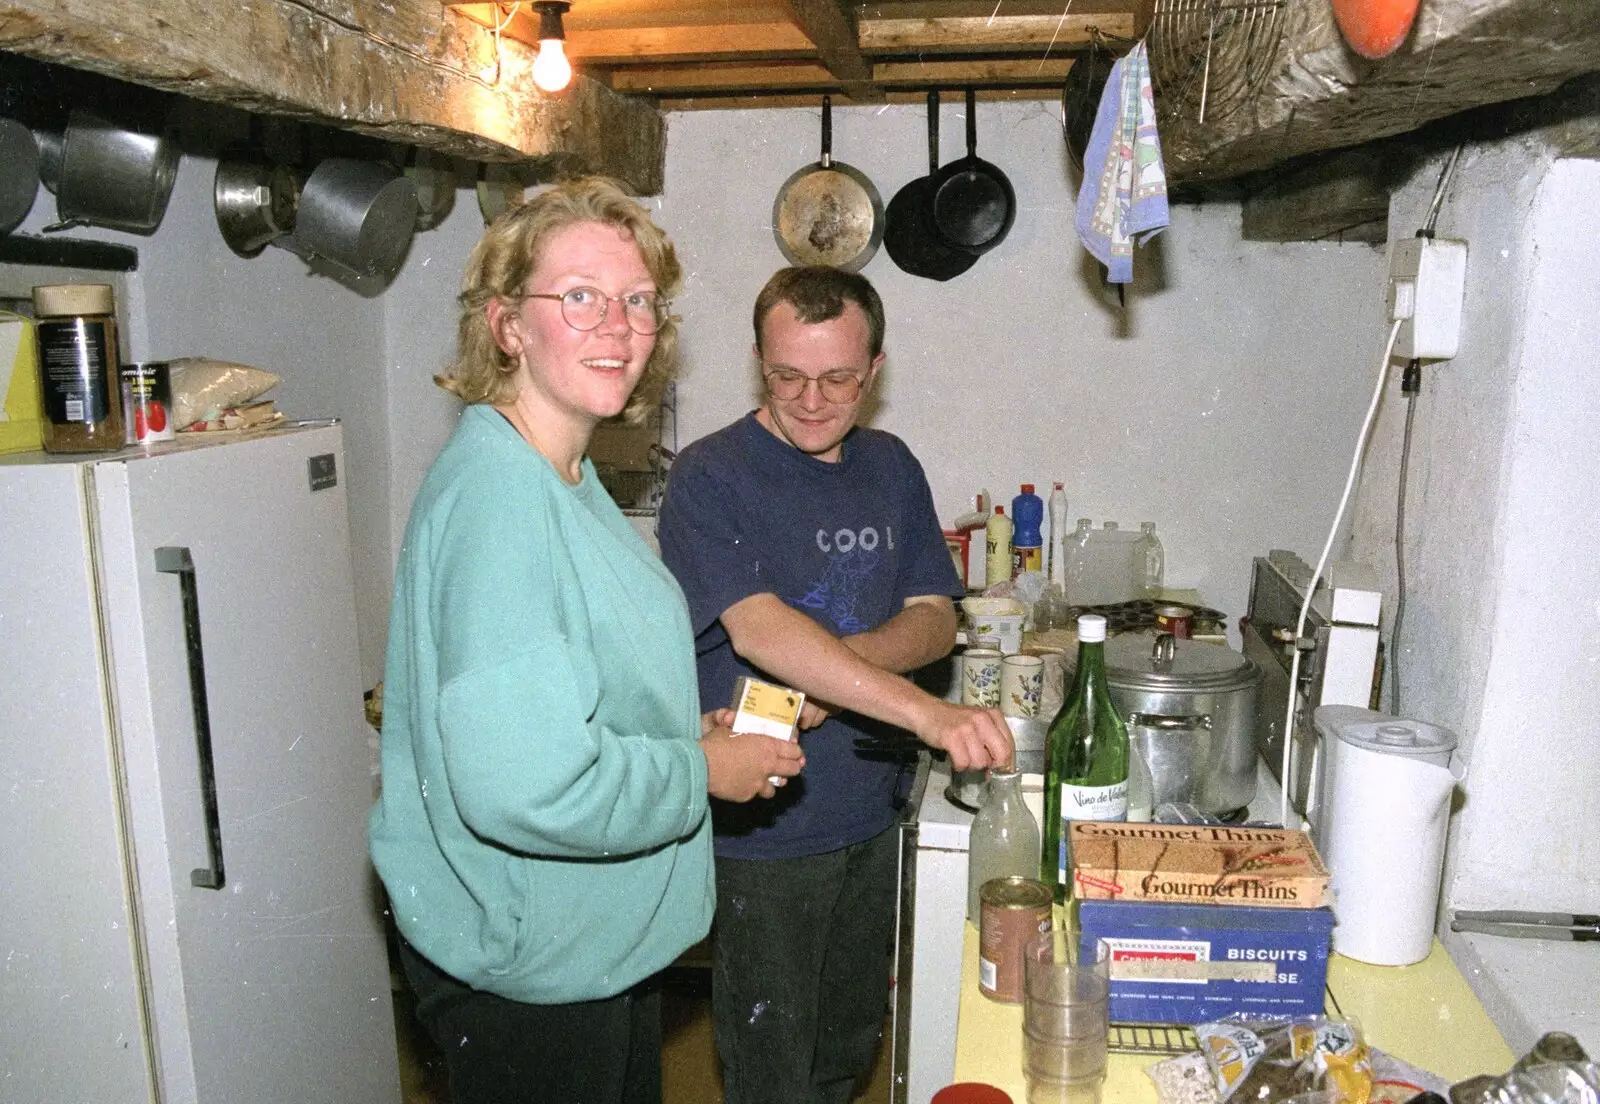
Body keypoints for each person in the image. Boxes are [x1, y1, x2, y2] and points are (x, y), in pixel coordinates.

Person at [368, 178, 805, 1104]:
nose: (617, 324)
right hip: (535, 966)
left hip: (578, 940)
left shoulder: (559, 473)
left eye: (637, 300)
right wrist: (701, 774)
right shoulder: (501, 501)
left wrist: (691, 738)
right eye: (579, 296)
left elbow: (579, 689)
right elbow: (530, 785)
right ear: (507, 327)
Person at [657, 265, 1015, 1104]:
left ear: (875, 369)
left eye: (838, 378)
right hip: (768, 830)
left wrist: (847, 667)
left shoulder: (891, 465)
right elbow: (762, 629)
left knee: (849, 1049)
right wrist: (925, 711)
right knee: (772, 1073)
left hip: (874, 813)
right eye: (787, 376)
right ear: (758, 362)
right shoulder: (710, 477)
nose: (812, 399)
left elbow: (935, 616)